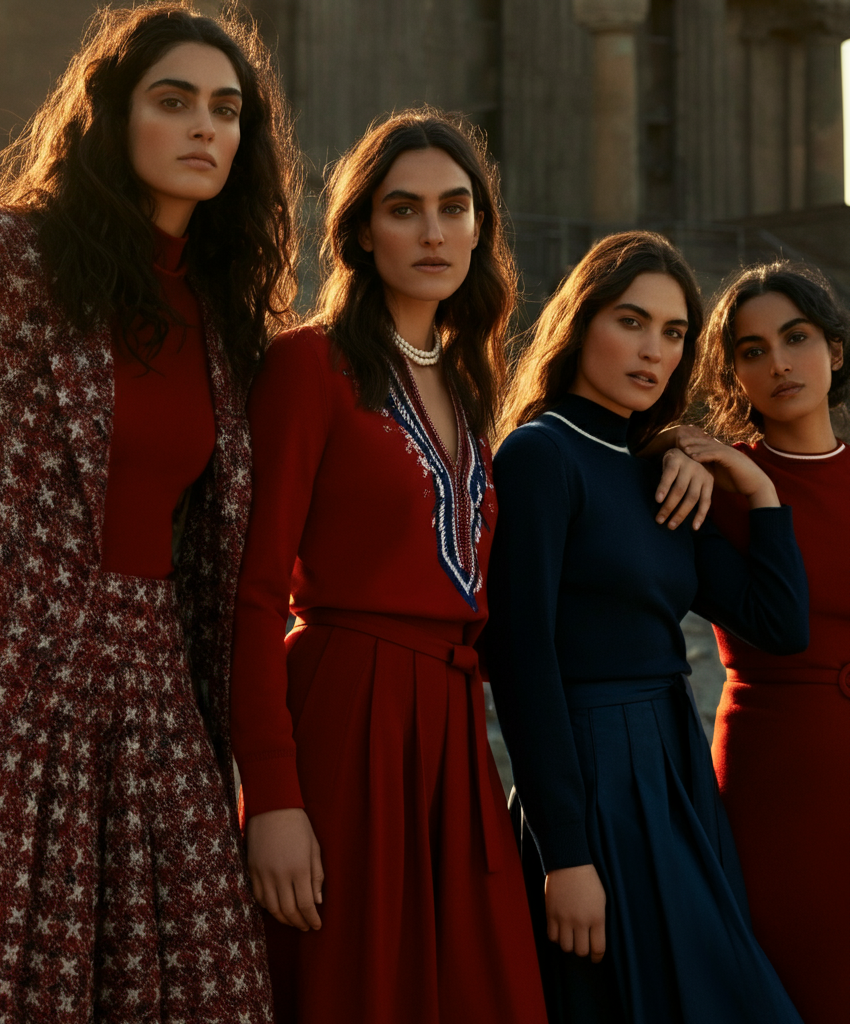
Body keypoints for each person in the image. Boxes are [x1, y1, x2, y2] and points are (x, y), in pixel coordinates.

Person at [0, 3, 298, 1021]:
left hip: (155, 704)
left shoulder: (220, 313)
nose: (204, 126)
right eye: (173, 101)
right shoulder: (3, 257)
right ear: (112, 115)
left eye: (226, 110)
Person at [229, 109, 549, 1024]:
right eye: (404, 209)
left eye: (455, 208)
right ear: (363, 231)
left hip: (452, 727)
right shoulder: (308, 366)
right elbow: (255, 594)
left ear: (480, 228)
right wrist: (272, 799)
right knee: (359, 986)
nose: (433, 231)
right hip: (345, 715)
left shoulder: (471, 382)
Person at [486, 231, 810, 1024]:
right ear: (581, 322)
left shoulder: (660, 467)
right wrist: (567, 855)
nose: (654, 351)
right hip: (593, 780)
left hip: (676, 770)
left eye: (674, 333)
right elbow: (522, 661)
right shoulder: (539, 455)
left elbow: (778, 623)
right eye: (631, 322)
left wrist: (756, 488)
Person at [670, 261, 850, 1024]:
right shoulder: (715, 484)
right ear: (733, 376)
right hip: (779, 774)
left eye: (796, 338)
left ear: (834, 350)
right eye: (753, 350)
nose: (779, 363)